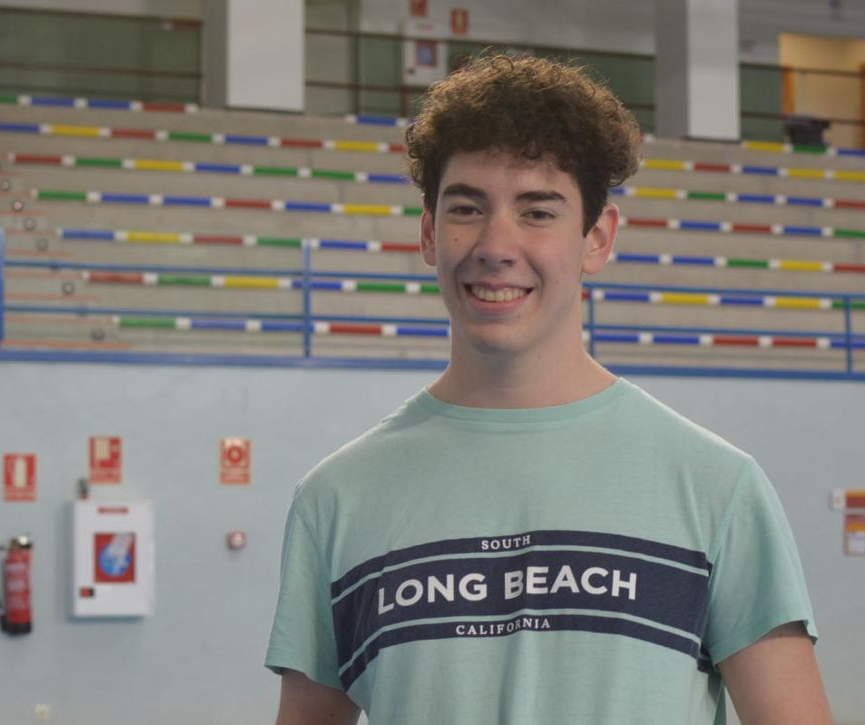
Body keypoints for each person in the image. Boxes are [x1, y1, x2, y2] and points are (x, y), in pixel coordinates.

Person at [266, 54, 832, 725]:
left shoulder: (715, 486)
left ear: (597, 236)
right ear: (427, 233)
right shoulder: (336, 499)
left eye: (537, 211)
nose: (495, 243)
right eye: (467, 207)